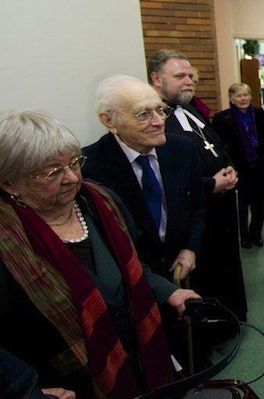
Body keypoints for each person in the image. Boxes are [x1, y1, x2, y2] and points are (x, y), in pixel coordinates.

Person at [0, 110, 199, 397]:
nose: (70, 177)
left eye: (74, 162)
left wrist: (169, 292)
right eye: (52, 171)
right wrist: (27, 393)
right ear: (9, 182)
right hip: (64, 384)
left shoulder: (101, 202)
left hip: (136, 362)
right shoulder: (8, 239)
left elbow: (133, 269)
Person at [147, 49, 247, 322]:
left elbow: (215, 144)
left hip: (222, 208)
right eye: (179, 76)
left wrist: (230, 169)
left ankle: (232, 317)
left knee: (227, 266)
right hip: (195, 216)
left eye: (190, 75)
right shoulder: (155, 121)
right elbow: (167, 177)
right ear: (156, 79)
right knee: (207, 274)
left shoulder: (191, 109)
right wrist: (210, 184)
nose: (188, 80)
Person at [83, 75, 206, 281]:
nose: (159, 122)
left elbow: (197, 206)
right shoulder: (90, 167)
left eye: (160, 110)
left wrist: (189, 248)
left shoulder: (183, 149)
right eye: (143, 114)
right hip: (130, 278)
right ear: (109, 120)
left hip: (180, 267)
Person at [212, 83, 264, 248]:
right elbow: (220, 145)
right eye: (239, 96)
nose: (243, 98)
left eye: (246, 94)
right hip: (238, 167)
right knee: (242, 203)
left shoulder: (260, 115)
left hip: (259, 165)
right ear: (232, 98)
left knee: (259, 202)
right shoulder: (222, 118)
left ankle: (256, 233)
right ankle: (244, 236)